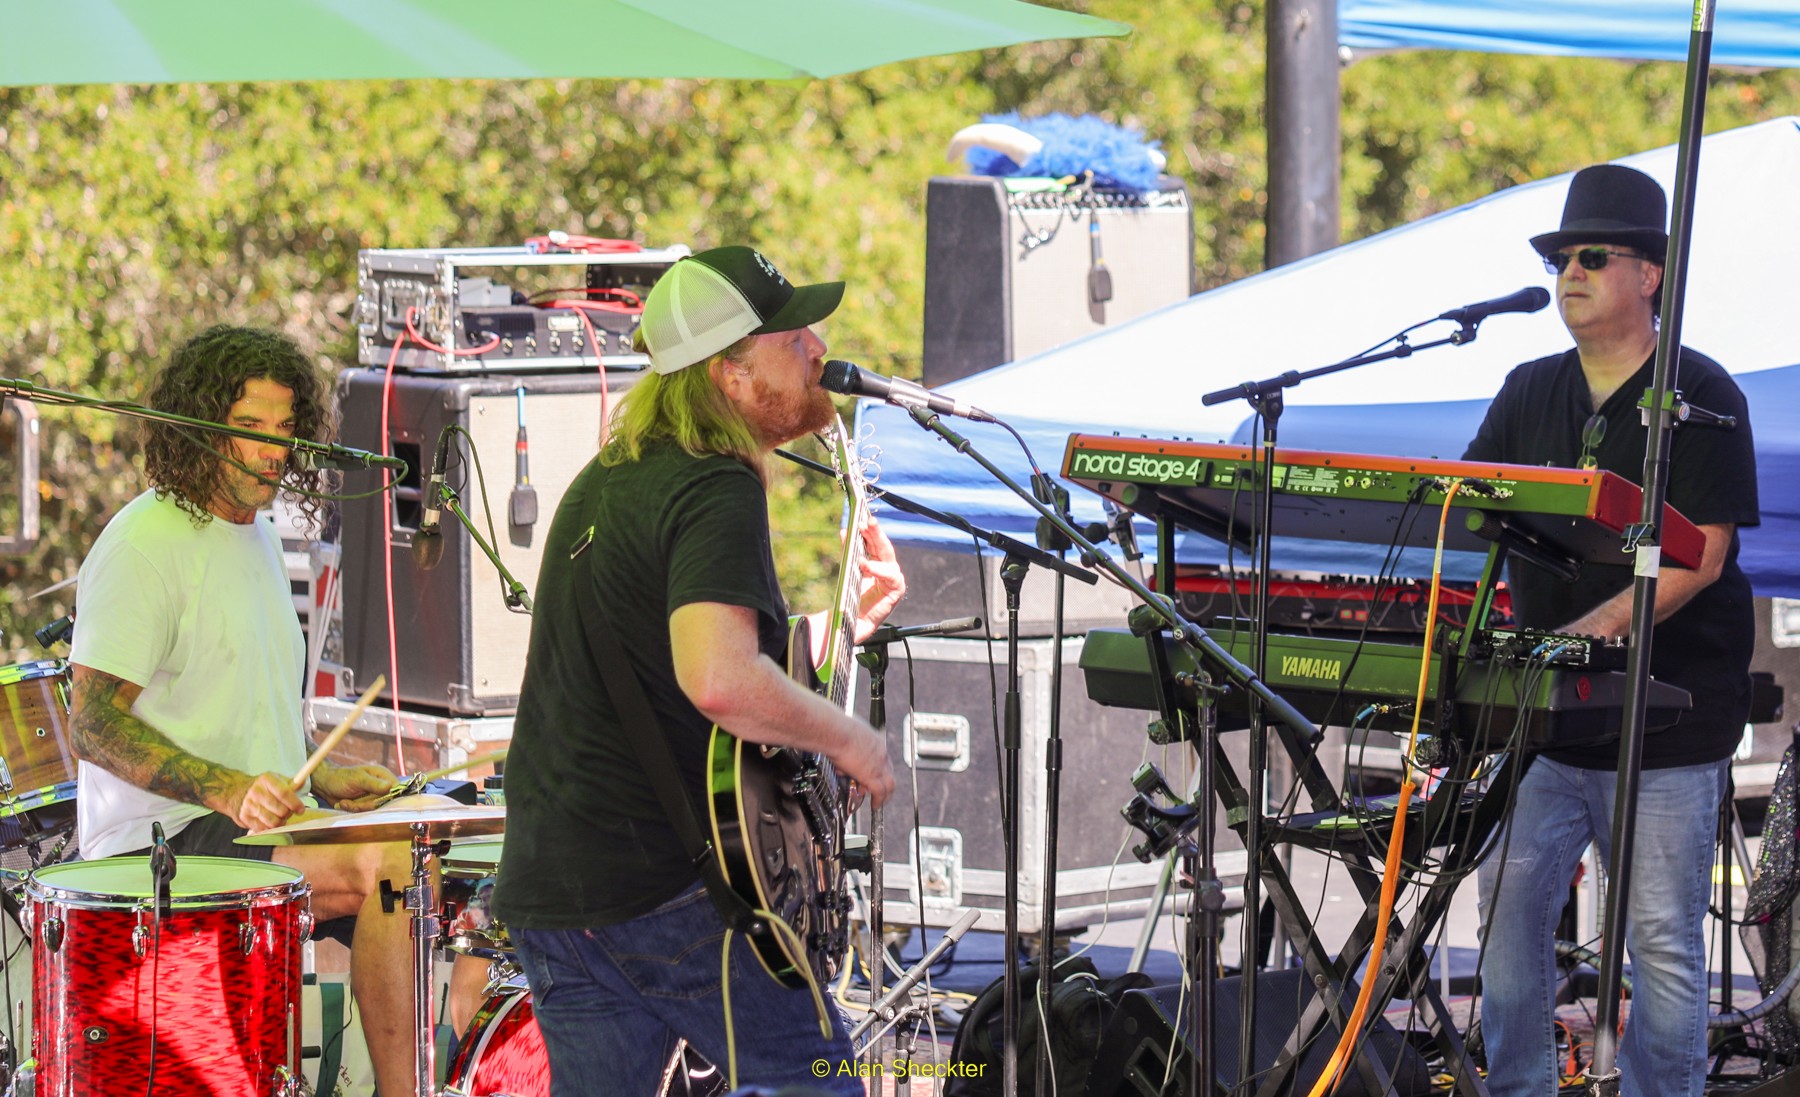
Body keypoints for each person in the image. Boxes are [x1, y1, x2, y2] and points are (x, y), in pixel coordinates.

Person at [495, 246, 903, 1096]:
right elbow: (717, 678)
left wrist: (841, 630)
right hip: (664, 894)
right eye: (793, 338)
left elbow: (674, 668)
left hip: (557, 890)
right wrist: (853, 740)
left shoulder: (609, 480)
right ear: (730, 374)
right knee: (817, 1081)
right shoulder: (716, 485)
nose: (820, 349)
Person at [69, 325, 426, 1095]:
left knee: (429, 861)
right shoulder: (145, 543)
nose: (272, 450)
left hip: (247, 827)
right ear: (199, 427)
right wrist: (230, 788)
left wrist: (320, 775)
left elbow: (237, 711)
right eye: (249, 427)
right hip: (160, 844)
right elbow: (91, 722)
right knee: (390, 869)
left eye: (284, 428)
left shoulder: (256, 533)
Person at [1465, 165, 1758, 1095]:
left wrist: (1582, 636)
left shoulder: (1701, 393)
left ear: (1649, 274)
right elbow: (1465, 513)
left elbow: (1701, 557)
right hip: (1547, 724)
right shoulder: (1526, 389)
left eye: (1592, 255)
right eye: (1559, 259)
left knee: (1660, 940)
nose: (1570, 273)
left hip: (1664, 723)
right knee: (1506, 918)